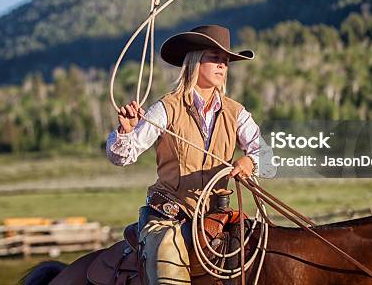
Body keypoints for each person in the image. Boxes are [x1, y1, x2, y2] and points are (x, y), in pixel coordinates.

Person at [106, 24, 276, 284]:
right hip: (168, 217)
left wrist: (250, 161)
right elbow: (123, 156)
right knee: (168, 263)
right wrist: (125, 130)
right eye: (214, 58)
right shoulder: (167, 108)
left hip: (215, 215)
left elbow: (267, 157)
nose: (222, 65)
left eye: (226, 61)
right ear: (195, 61)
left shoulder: (235, 112)